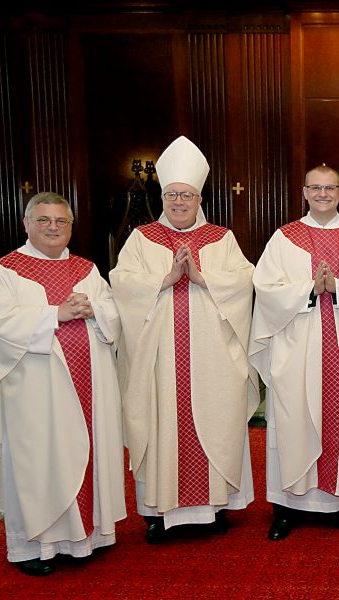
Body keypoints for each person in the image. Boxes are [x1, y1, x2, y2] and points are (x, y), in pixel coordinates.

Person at [110, 136, 258, 543]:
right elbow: (120, 284)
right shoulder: (142, 239)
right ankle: (159, 513)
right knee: (161, 427)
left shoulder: (221, 238)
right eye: (173, 194)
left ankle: (216, 505)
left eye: (187, 195)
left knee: (216, 423)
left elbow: (246, 280)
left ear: (199, 198)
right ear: (162, 196)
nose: (179, 202)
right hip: (159, 363)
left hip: (212, 359)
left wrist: (202, 278)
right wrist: (165, 280)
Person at [0, 192, 126, 576]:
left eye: (61, 221)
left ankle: (86, 538)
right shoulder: (6, 271)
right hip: (35, 390)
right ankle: (32, 546)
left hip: (89, 384)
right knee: (38, 460)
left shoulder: (86, 268)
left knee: (87, 451)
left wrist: (94, 310)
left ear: (71, 227)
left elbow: (112, 314)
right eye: (43, 220)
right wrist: (54, 314)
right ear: (26, 224)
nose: (53, 228)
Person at [250, 165, 339, 540]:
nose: (323, 194)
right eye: (316, 188)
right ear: (304, 192)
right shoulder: (284, 238)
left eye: (330, 188)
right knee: (293, 421)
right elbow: (265, 287)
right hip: (297, 348)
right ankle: (286, 508)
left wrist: (338, 287)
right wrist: (308, 290)